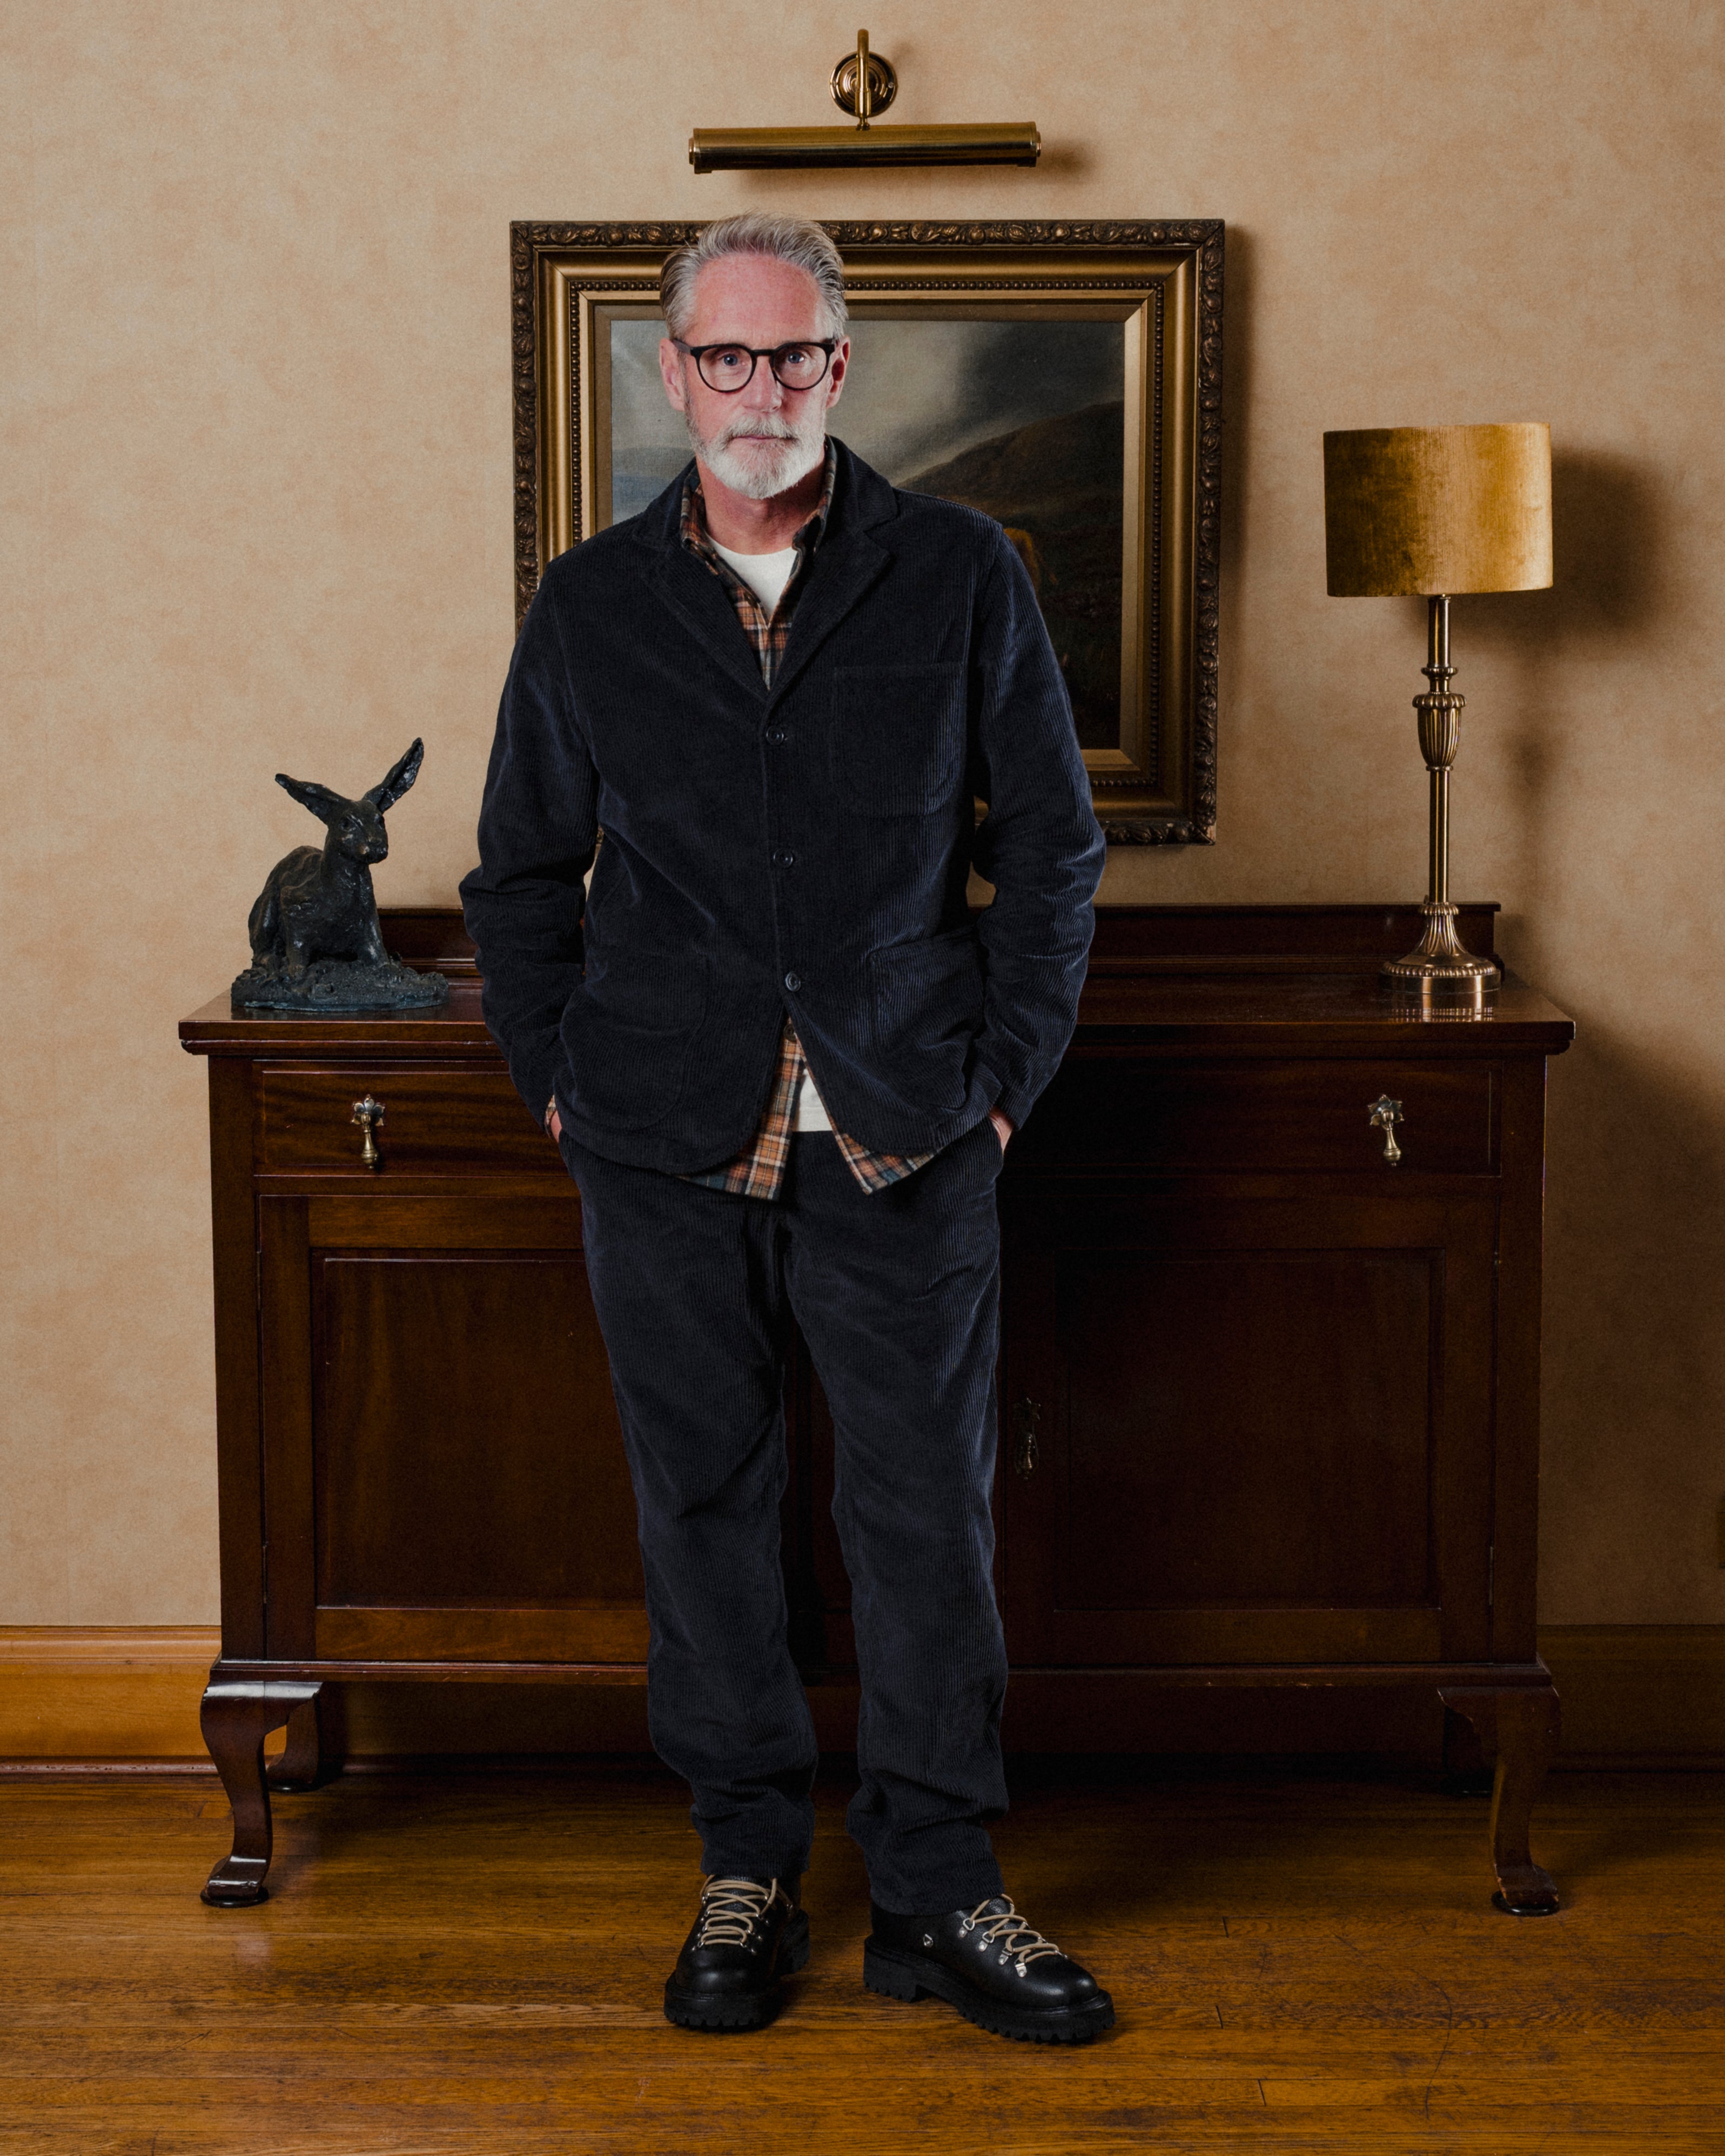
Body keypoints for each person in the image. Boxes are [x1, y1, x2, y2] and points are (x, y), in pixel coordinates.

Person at [460, 212, 1110, 2043]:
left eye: (796, 356)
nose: (762, 391)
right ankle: (743, 1869)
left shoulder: (962, 571)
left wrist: (1001, 1086)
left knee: (926, 1527)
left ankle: (939, 1893)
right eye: (726, 358)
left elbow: (1050, 854)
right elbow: (518, 876)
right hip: (661, 1138)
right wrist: (558, 1080)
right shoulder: (590, 602)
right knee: (706, 1513)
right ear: (672, 374)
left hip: (907, 1126)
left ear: (842, 368)